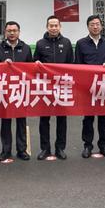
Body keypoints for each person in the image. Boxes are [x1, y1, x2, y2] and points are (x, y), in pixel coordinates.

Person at [75, 14, 105, 158]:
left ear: (101, 26)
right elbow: (77, 65)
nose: (95, 26)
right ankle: (88, 146)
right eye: (92, 24)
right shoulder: (81, 43)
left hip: (104, 86)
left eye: (97, 24)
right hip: (87, 87)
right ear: (88, 27)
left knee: (104, 118)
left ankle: (103, 145)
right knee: (88, 118)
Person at [0, 21, 33, 162]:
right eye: (9, 30)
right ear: (5, 32)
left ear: (19, 32)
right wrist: (2, 66)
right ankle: (6, 150)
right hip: (5, 90)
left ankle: (22, 150)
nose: (12, 33)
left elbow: (30, 68)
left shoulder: (26, 48)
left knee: (21, 122)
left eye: (14, 30)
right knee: (6, 122)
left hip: (21, 89)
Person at [33, 15, 74, 160]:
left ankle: (60, 148)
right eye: (51, 25)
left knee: (61, 119)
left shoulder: (67, 43)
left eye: (56, 25)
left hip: (62, 86)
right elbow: (34, 63)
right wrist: (36, 63)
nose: (54, 28)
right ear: (47, 27)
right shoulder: (40, 44)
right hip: (45, 87)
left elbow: (71, 64)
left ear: (60, 27)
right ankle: (45, 148)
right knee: (44, 119)